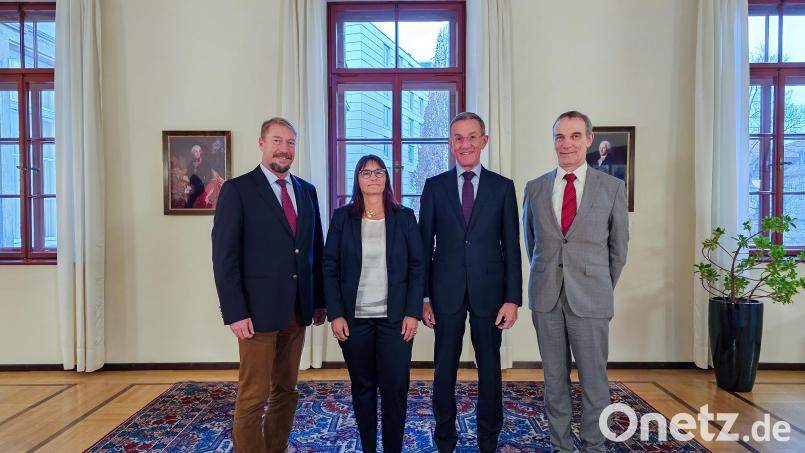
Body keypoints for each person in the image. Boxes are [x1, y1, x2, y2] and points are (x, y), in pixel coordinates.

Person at [211, 117, 326, 453]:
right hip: (255, 313)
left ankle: (276, 447)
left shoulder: (307, 191)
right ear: (262, 144)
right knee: (253, 395)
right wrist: (235, 312)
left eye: (290, 143)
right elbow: (224, 258)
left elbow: (314, 251)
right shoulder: (238, 190)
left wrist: (319, 300)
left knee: (286, 390)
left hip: (298, 309)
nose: (284, 149)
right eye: (277, 141)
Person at [523, 111, 629, 453]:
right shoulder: (535, 188)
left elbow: (619, 250)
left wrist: (599, 285)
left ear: (589, 139)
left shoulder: (611, 188)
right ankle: (561, 446)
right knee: (554, 380)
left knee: (594, 381)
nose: (566, 143)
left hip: (592, 299)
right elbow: (532, 242)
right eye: (560, 136)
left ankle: (593, 445)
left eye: (574, 135)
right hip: (547, 298)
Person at [419, 112, 522, 453]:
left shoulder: (502, 187)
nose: (465, 144)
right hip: (444, 293)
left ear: (484, 141)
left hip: (490, 294)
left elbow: (511, 246)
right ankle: (445, 439)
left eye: (472, 137)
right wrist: (423, 297)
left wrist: (512, 299)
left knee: (490, 370)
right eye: (458, 138)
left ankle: (488, 439)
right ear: (450, 143)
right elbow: (423, 247)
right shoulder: (434, 187)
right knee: (444, 370)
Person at [323, 155, 425, 453]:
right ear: (357, 179)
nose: (373, 177)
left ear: (386, 178)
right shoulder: (342, 218)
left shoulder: (404, 217)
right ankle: (368, 447)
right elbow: (329, 267)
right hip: (354, 320)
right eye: (366, 172)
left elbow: (418, 267)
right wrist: (336, 314)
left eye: (378, 172)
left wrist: (413, 312)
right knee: (363, 388)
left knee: (395, 389)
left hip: (396, 320)